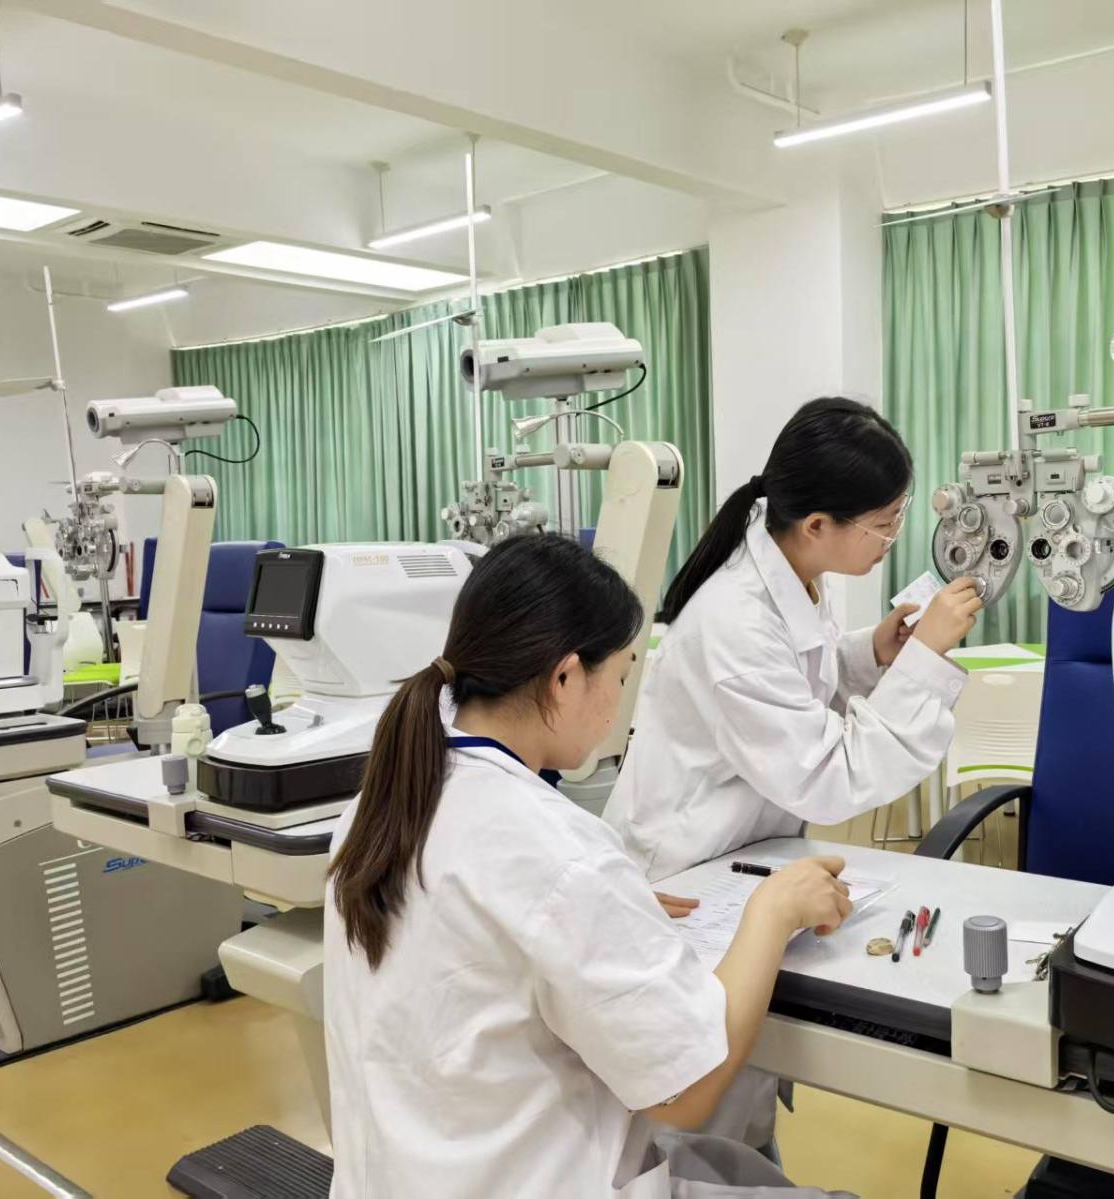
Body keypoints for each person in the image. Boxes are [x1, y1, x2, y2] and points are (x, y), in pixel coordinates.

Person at [324, 534, 858, 1198]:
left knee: (734, 1168)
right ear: (565, 677)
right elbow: (687, 1090)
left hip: (404, 1179)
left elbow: (487, 926)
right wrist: (774, 912)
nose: (619, 705)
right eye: (622, 677)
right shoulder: (559, 851)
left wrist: (606, 912)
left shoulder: (384, 804)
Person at [604, 396, 982, 884]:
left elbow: (795, 683)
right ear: (817, 525)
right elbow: (827, 776)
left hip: (744, 847)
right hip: (680, 868)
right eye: (884, 523)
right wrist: (924, 657)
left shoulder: (793, 569)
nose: (893, 535)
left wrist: (872, 652)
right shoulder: (736, 622)